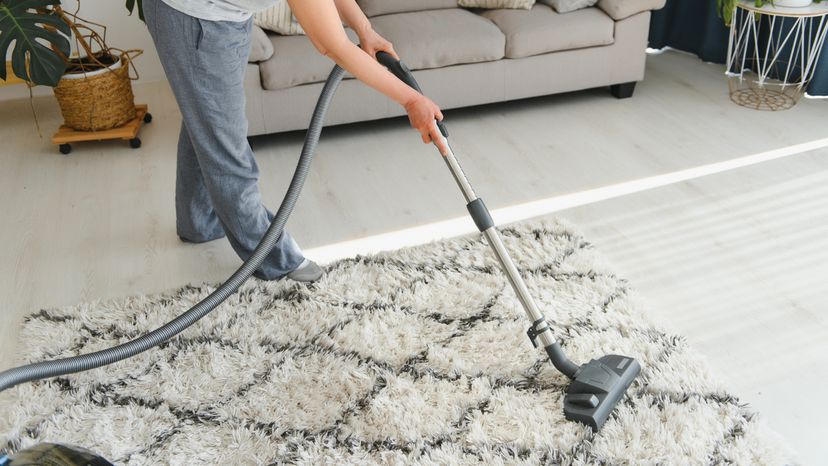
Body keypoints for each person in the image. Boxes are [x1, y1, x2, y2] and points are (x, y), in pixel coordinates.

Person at [142, 0, 448, 282]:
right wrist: (410, 101)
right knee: (226, 147)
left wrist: (364, 29)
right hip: (192, 16)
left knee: (208, 118)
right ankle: (275, 260)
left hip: (224, 12)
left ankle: (198, 223)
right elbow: (332, 45)